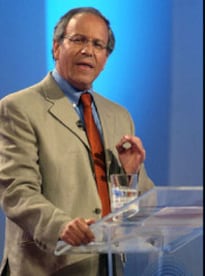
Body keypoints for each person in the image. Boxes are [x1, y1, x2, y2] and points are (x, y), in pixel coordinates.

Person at [0, 7, 154, 275]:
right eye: (79, 40)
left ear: (106, 58)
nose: (88, 50)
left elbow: (133, 210)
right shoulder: (19, 107)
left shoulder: (119, 116)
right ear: (56, 47)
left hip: (107, 265)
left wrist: (129, 177)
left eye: (98, 44)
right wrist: (60, 225)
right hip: (47, 266)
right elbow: (16, 191)